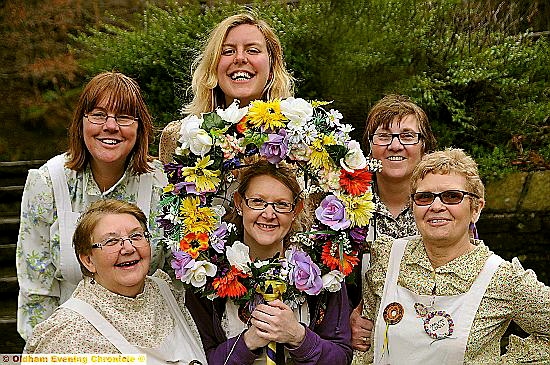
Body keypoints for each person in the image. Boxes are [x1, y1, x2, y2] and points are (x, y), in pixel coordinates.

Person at [357, 148, 550, 364]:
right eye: (424, 197)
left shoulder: (501, 278)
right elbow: (366, 346)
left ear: (476, 208)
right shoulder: (388, 258)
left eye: (452, 196)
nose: (436, 206)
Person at [16, 71, 168, 340]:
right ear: (81, 123)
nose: (110, 126)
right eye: (98, 115)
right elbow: (36, 290)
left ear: (140, 127)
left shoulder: (162, 185)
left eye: (123, 117)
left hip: (149, 342)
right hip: (68, 341)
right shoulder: (49, 183)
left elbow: (175, 283)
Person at [184, 160, 353, 365]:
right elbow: (197, 357)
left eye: (282, 205)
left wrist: (298, 336)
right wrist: (248, 342)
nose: (269, 214)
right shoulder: (207, 275)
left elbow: (341, 357)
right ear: (239, 203)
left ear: (296, 210)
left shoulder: (323, 275)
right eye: (257, 201)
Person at [24, 200, 207, 364]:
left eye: (136, 236)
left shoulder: (168, 293)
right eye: (111, 241)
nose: (128, 248)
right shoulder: (67, 333)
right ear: (88, 260)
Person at [350, 94, 437, 352]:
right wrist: (344, 322)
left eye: (408, 136)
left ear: (425, 147)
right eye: (384, 136)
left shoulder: (445, 207)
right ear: (369, 148)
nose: (395, 146)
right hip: (364, 348)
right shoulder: (344, 208)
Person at [159, 12, 294, 164]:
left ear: (271, 69)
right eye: (228, 51)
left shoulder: (299, 138)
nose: (240, 58)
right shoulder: (179, 137)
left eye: (253, 50)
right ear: (213, 69)